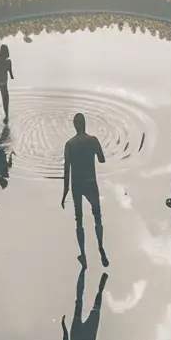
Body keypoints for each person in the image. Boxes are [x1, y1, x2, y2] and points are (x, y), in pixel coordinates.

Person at [60, 112, 109, 266]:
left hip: (76, 184)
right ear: (85, 124)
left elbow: (66, 171)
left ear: (75, 126)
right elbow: (102, 159)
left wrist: (64, 191)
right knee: (97, 215)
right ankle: (100, 247)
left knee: (79, 219)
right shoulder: (93, 140)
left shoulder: (69, 144)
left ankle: (83, 254)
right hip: (90, 182)